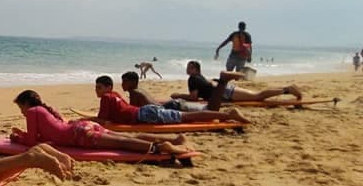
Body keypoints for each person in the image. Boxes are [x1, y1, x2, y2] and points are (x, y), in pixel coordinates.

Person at [11, 90, 195, 155]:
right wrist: (22, 134)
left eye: (21, 107)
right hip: (81, 127)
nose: (22, 112)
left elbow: (32, 142)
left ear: (26, 104)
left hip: (79, 135)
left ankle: (160, 148)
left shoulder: (32, 112)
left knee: (121, 143)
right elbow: (49, 133)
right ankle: (175, 139)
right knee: (125, 137)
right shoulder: (44, 109)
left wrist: (18, 138)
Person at [92, 76, 248, 126]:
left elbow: (102, 120)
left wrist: (85, 120)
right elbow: (121, 111)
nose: (96, 90)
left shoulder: (106, 97)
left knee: (187, 117)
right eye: (96, 87)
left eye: (99, 87)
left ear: (108, 87)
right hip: (146, 112)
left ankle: (228, 115)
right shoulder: (115, 94)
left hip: (146, 115)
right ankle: (227, 115)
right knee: (186, 117)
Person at [172, 61, 302, 105]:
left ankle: (287, 90)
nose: (187, 69)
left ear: (195, 69)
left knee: (258, 96)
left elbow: (193, 97)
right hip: (225, 90)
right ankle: (286, 89)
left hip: (225, 92)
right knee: (258, 95)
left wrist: (178, 95)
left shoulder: (193, 79)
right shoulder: (199, 77)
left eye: (189, 68)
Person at [120, 71, 207, 112]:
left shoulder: (134, 93)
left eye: (125, 82)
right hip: (170, 105)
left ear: (132, 82)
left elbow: (132, 111)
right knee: (203, 109)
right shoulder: (139, 90)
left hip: (169, 108)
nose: (122, 84)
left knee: (204, 111)